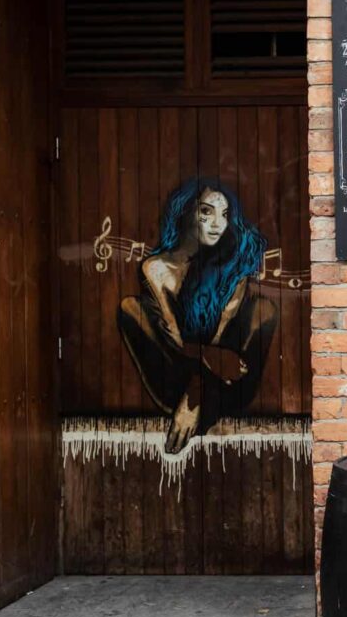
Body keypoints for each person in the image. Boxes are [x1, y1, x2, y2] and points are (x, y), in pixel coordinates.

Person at [118, 178, 277, 455]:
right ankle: (196, 396)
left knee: (264, 309)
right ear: (186, 212)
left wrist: (201, 388)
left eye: (225, 215)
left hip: (229, 385)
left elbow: (223, 344)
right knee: (131, 308)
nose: (218, 223)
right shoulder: (156, 269)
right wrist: (201, 372)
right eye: (206, 212)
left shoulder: (232, 268)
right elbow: (173, 344)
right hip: (174, 386)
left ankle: (201, 397)